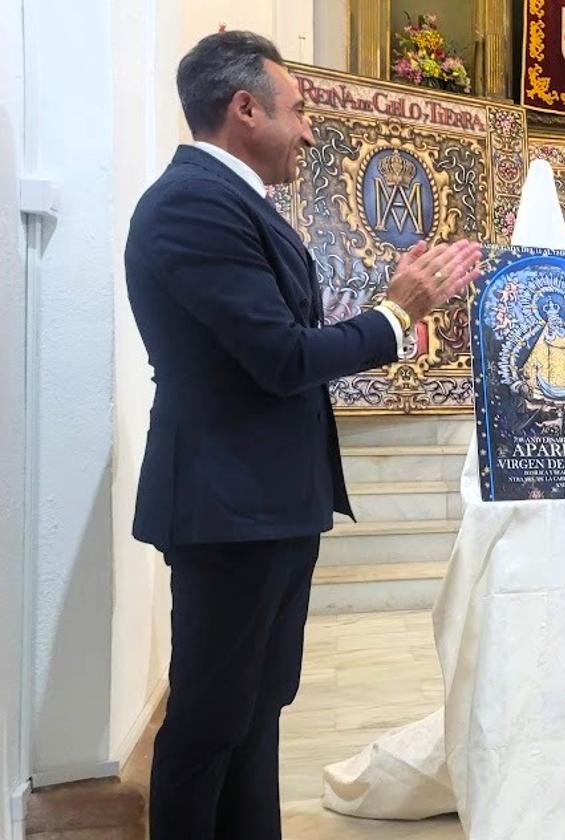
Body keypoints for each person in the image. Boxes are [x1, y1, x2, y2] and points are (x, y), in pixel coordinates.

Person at [124, 31, 481, 839]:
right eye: (299, 109)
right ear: (245, 109)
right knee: (212, 722)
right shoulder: (192, 205)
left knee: (257, 711)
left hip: (267, 501)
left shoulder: (235, 204)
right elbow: (282, 357)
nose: (311, 130)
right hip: (228, 505)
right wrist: (396, 313)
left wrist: (393, 311)